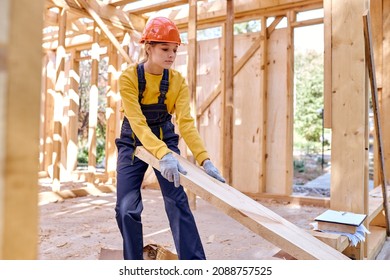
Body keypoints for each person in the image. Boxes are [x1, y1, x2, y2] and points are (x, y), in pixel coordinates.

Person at [115, 16, 225, 260]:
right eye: (165, 48)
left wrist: (204, 159)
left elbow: (186, 123)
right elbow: (137, 122)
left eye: (174, 49)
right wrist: (161, 154)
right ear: (148, 47)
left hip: (165, 138)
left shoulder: (177, 81)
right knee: (126, 210)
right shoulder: (128, 78)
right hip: (133, 141)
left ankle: (195, 266)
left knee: (177, 203)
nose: (171, 55)